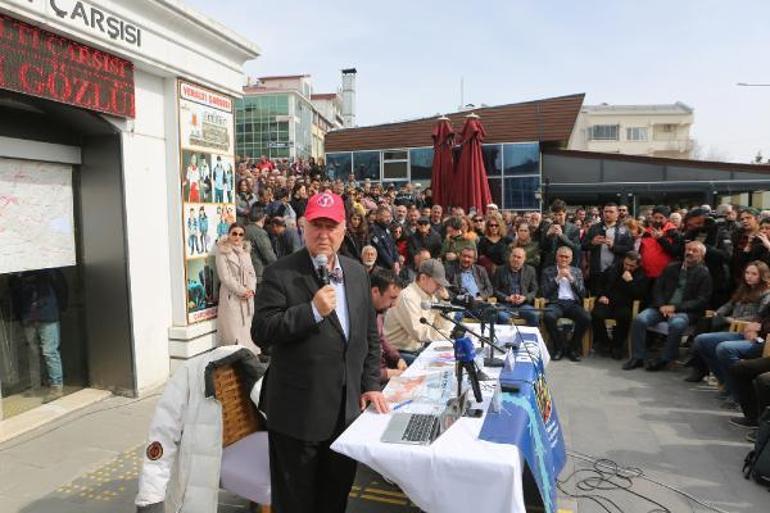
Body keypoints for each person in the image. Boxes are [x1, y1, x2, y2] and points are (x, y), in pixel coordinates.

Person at [252, 191, 387, 513]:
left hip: (345, 413)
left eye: (331, 226)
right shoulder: (280, 273)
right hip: (298, 415)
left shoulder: (356, 272)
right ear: (303, 226)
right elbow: (262, 333)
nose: (324, 234)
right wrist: (310, 312)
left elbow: (368, 334)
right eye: (317, 226)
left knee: (334, 499)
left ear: (344, 229)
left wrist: (370, 383)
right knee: (296, 503)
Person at [624, 241, 712, 372]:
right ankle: (638, 357)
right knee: (640, 320)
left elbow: (701, 300)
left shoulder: (704, 274)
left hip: (685, 311)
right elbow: (657, 288)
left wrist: (675, 308)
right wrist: (661, 305)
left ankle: (665, 358)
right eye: (688, 249)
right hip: (661, 307)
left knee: (677, 324)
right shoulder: (671, 267)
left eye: (694, 251)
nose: (690, 253)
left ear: (702, 256)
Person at [687, 261, 770, 385]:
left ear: (762, 276)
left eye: (754, 274)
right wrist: (718, 313)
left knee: (719, 343)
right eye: (747, 273)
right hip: (733, 323)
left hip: (743, 326)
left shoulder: (766, 294)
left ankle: (706, 369)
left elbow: (757, 317)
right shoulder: (743, 289)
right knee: (704, 329)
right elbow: (729, 304)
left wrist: (732, 320)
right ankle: (713, 373)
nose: (749, 276)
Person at [9, 269, 68, 402]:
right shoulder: (18, 275)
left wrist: (60, 309)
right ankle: (37, 384)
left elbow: (61, 289)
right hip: (29, 316)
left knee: (49, 351)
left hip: (47, 315)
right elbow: (15, 296)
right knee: (33, 352)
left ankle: (56, 386)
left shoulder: (50, 270)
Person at [383, 259, 454, 364]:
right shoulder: (407, 297)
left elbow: (443, 326)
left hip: (417, 350)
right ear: (423, 278)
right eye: (437, 283)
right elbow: (419, 334)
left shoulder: (431, 297)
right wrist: (444, 336)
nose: (440, 287)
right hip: (397, 354)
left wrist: (446, 301)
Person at [590, 251, 648, 359]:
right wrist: (601, 295)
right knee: (596, 314)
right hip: (608, 300)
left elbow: (640, 295)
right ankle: (605, 342)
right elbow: (599, 284)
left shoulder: (642, 275)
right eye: (626, 264)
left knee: (624, 316)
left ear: (638, 265)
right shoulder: (614, 268)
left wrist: (630, 282)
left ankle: (617, 345)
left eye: (632, 266)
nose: (627, 267)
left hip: (625, 303)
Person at [540, 246, 591, 362]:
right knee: (549, 317)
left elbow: (583, 293)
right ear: (556, 257)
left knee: (586, 318)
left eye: (566, 257)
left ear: (571, 259)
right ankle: (559, 348)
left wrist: (571, 278)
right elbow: (544, 292)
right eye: (561, 256)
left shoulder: (577, 271)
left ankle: (572, 349)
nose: (563, 259)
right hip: (555, 302)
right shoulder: (548, 271)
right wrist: (557, 278)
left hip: (572, 303)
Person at [215, 223, 258, 354]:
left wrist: (251, 289)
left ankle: (249, 355)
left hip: (247, 296)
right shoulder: (222, 252)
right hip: (231, 295)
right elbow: (225, 276)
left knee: (246, 329)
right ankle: (234, 358)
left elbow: (252, 273)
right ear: (229, 234)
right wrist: (241, 290)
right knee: (233, 331)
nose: (237, 237)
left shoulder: (245, 252)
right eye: (234, 233)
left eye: (240, 234)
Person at [681, 207, 733, 308]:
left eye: (697, 223)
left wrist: (704, 247)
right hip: (696, 277)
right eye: (690, 225)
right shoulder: (693, 232)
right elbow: (681, 248)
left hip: (716, 278)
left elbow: (727, 256)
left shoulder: (721, 233)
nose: (694, 226)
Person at [582, 202, 634, 295]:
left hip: (615, 273)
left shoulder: (624, 229)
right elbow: (583, 245)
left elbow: (630, 250)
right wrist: (592, 243)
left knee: (613, 300)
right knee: (596, 299)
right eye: (606, 211)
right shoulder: (594, 228)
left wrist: (614, 247)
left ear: (617, 214)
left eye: (611, 212)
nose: (607, 214)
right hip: (597, 272)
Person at [369, 268, 407, 385]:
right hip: (374, 381)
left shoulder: (377, 313)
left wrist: (397, 358)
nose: (394, 305)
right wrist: (389, 373)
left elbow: (382, 339)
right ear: (375, 291)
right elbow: (362, 371)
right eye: (392, 298)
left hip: (384, 369)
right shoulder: (360, 318)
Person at [492, 247, 540, 327]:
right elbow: (494, 289)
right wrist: (507, 298)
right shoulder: (500, 270)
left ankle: (529, 339)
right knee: (502, 316)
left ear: (524, 259)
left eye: (519, 257)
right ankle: (506, 339)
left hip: (523, 305)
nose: (516, 259)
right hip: (505, 305)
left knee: (534, 315)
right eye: (514, 256)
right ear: (510, 257)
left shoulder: (530, 270)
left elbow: (535, 290)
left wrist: (525, 298)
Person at [639, 205, 683, 280]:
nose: (658, 220)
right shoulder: (647, 232)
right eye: (655, 217)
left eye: (661, 218)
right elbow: (641, 250)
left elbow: (675, 252)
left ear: (667, 218)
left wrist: (661, 239)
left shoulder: (674, 232)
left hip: (664, 275)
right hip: (646, 273)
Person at [540, 199, 581, 270]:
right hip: (551, 265)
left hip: (568, 265)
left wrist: (561, 235)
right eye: (555, 214)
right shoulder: (547, 227)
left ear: (565, 213)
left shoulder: (573, 228)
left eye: (560, 214)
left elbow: (576, 248)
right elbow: (542, 248)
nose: (558, 217)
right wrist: (547, 235)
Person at [243, 207, 277, 287]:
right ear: (263, 218)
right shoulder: (260, 233)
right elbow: (268, 255)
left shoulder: (244, 229)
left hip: (245, 272)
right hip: (258, 273)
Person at [369, 205, 400, 273]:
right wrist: (392, 264)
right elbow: (381, 250)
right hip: (381, 267)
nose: (388, 219)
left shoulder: (387, 229)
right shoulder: (373, 230)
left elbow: (393, 246)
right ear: (378, 217)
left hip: (392, 266)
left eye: (389, 217)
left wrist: (397, 261)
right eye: (386, 217)